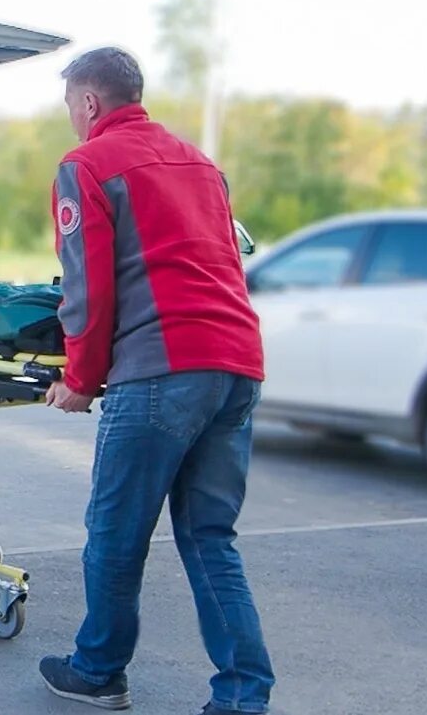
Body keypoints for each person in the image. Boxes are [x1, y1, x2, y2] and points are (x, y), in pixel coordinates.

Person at [36, 48, 275, 714]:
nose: (71, 120)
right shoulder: (201, 163)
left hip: (162, 367)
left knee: (115, 529)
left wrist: (80, 379)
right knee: (209, 537)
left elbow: (88, 289)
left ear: (89, 103)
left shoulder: (85, 165)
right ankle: (244, 697)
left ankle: (99, 669)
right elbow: (228, 258)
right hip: (237, 364)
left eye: (69, 106)